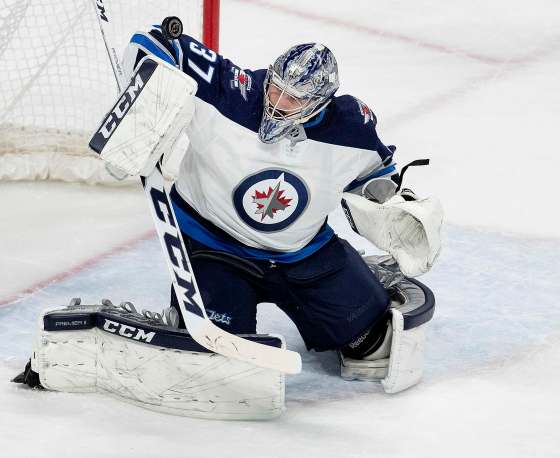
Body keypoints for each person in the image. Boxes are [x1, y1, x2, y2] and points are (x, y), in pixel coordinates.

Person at [122, 27, 419, 367]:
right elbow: (155, 43)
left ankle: (363, 276)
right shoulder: (230, 91)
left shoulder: (351, 128)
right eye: (276, 88)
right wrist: (140, 94)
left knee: (370, 343)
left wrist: (393, 208)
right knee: (221, 355)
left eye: (293, 98)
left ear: (320, 103)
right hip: (211, 245)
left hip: (300, 253)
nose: (277, 102)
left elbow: (374, 178)